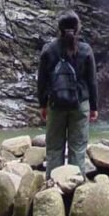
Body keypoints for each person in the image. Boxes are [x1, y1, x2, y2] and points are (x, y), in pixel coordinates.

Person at [37, 10, 98, 177]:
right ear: (78, 28)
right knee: (78, 148)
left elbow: (42, 80)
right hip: (80, 104)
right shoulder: (85, 50)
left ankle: (52, 187)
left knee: (54, 148)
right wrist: (94, 107)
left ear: (59, 28)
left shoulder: (49, 49)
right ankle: (75, 187)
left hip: (55, 105)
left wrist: (42, 104)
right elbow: (92, 81)